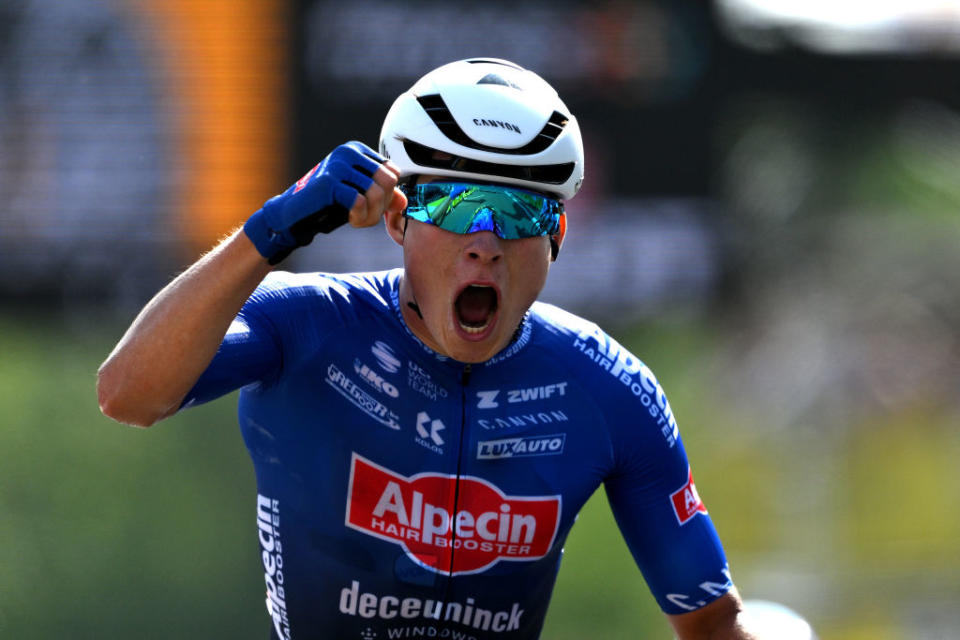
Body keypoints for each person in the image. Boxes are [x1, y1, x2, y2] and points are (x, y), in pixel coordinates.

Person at [98, 58, 764, 640]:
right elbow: (128, 394)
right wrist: (271, 228)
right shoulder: (307, 323)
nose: (484, 242)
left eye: (517, 214)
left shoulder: (608, 388)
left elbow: (712, 625)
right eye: (451, 206)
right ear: (396, 219)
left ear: (556, 234)